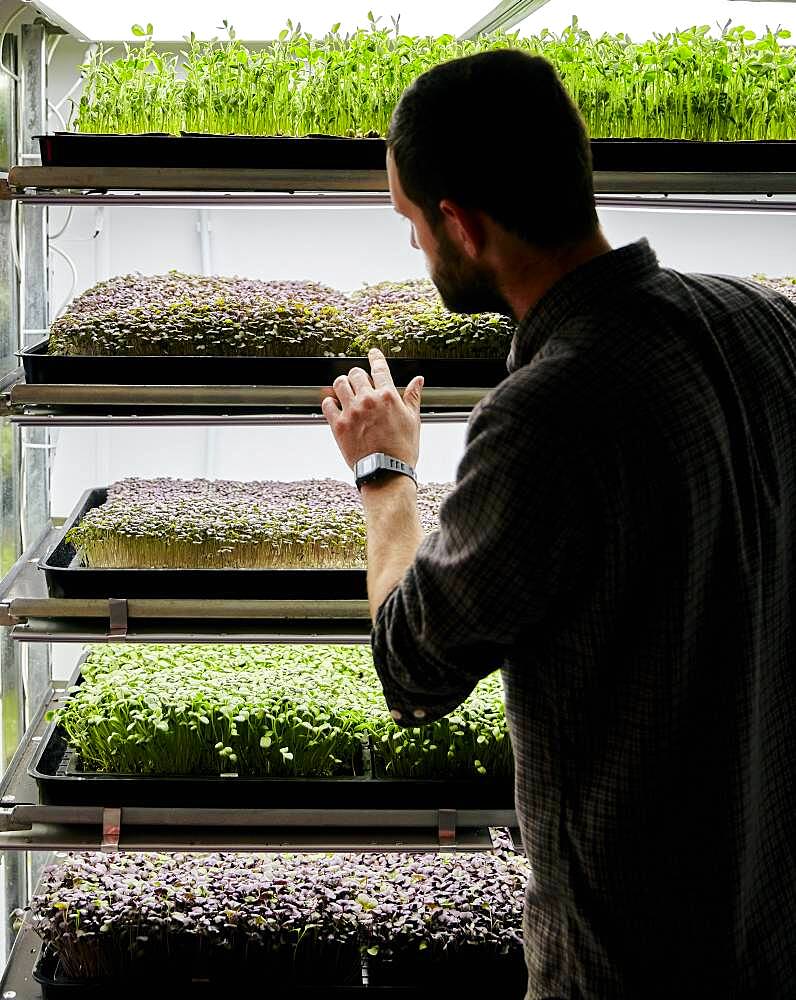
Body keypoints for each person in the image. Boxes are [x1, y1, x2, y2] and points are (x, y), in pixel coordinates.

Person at [321, 49, 796, 999]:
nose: (415, 247)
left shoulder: (546, 411)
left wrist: (384, 475)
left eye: (413, 224)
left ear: (462, 222)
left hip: (629, 960)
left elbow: (411, 671)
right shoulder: (766, 322)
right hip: (774, 929)